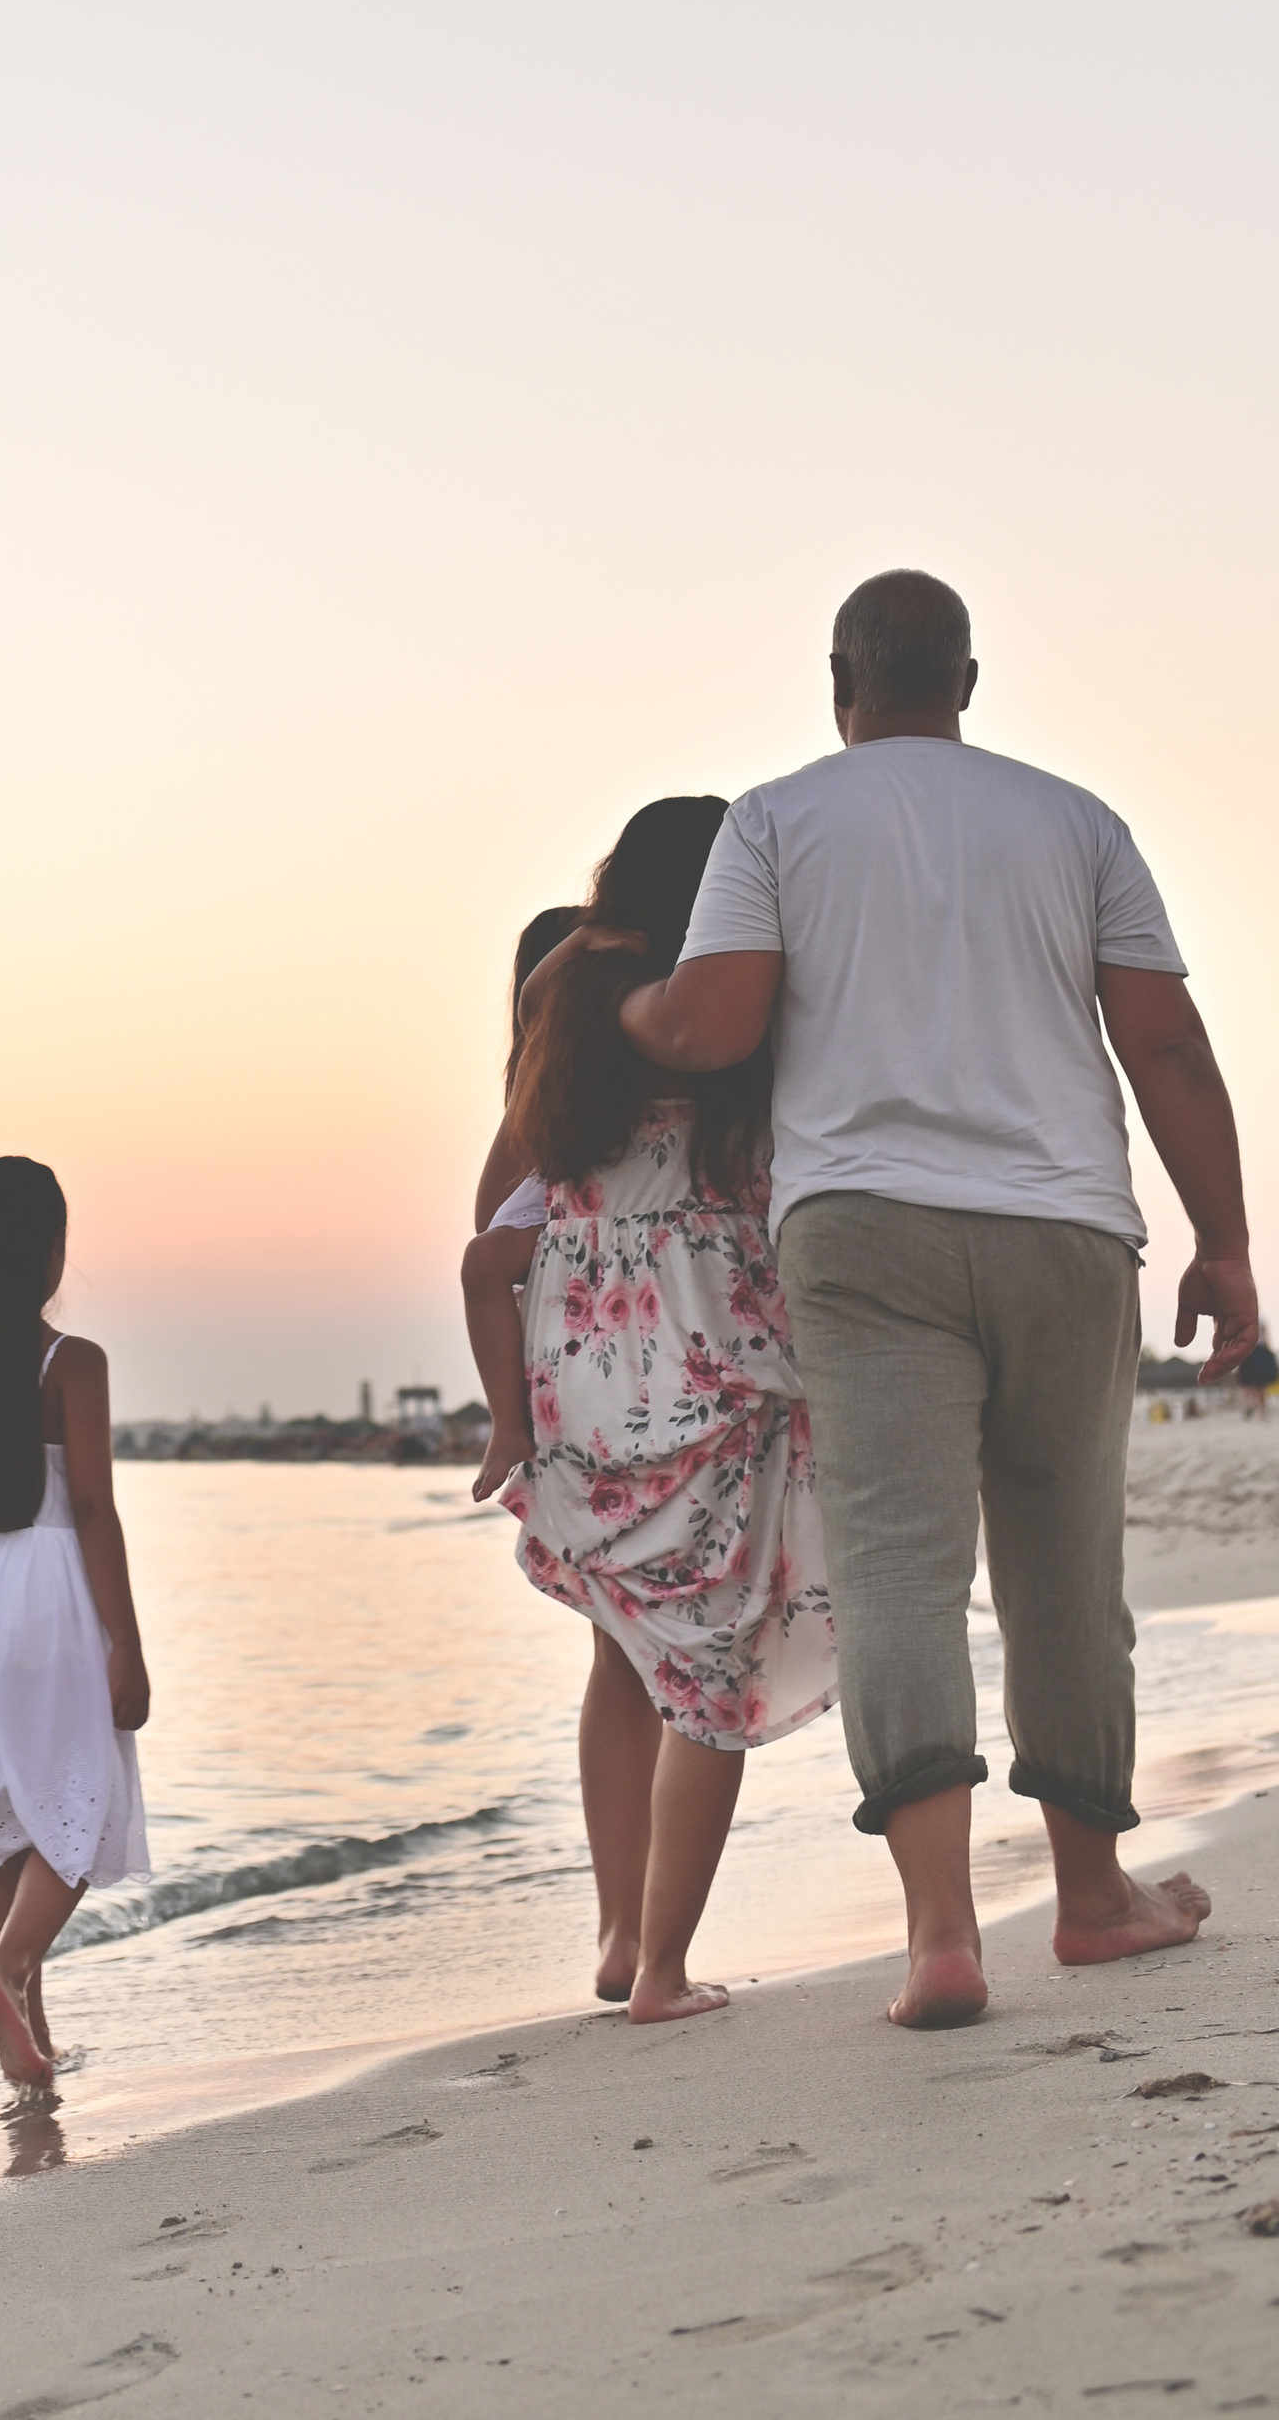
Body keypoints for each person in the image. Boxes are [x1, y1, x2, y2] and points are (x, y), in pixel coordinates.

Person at [617, 570, 1256, 2033]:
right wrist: (1226, 1242)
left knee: (902, 1569)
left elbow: (711, 1022)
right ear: (967, 682)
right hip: (1064, 1224)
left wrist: (618, 1006)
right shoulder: (1077, 819)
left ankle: (942, 1935)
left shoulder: (777, 819)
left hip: (863, 1227)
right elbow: (1163, 1043)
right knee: (1063, 1566)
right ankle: (1093, 1898)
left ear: (840, 677)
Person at [477, 804, 834, 2024]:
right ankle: (665, 1971)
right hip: (709, 1364)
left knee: (624, 1655)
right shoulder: (731, 1034)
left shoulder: (570, 1042)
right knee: (717, 1664)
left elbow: (489, 1234)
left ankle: (621, 1929)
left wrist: (506, 1419)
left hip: (574, 1377)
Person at [0, 1156, 151, 2095]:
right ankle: (6, 1974)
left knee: (16, 1818)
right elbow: (92, 1506)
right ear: (45, 1251)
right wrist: (125, 1647)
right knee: (78, 1811)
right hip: (47, 1587)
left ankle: (28, 2038)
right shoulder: (70, 1361)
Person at [460, 906, 584, 1498]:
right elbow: (490, 1216)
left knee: (483, 1259)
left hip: (586, 1206)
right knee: (481, 1260)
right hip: (560, 1203)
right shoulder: (543, 1068)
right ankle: (507, 1424)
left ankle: (508, 1424)